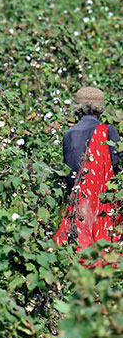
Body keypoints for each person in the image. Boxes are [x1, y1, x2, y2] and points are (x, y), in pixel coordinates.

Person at [54, 87, 122, 265]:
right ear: (100, 108)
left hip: (79, 203)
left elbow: (70, 174)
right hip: (105, 203)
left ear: (77, 107)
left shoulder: (69, 135)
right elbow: (118, 168)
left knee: (81, 253)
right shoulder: (108, 131)